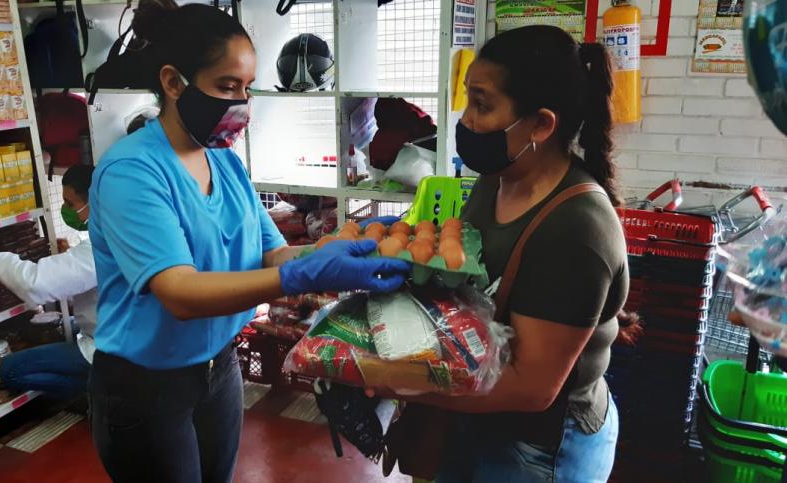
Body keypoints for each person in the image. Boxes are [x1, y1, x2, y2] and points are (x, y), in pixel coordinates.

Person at [85, 2, 410, 482]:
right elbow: (180, 292)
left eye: (247, 88)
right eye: (226, 86)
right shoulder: (132, 173)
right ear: (174, 83)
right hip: (146, 385)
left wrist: (333, 252)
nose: (242, 102)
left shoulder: (225, 162)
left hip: (219, 369)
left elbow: (274, 252)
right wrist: (296, 275)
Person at [408, 26, 635, 482]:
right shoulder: (499, 178)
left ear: (541, 124)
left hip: (539, 447)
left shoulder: (574, 231)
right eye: (468, 100)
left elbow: (531, 390)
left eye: (482, 104)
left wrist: (395, 381)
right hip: (479, 414)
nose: (466, 120)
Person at [0, 164, 97, 398]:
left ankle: (95, 388)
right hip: (114, 333)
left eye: (70, 204)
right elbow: (88, 283)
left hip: (109, 350)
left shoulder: (96, 248)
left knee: (11, 370)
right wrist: (67, 258)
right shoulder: (115, 235)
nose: (66, 210)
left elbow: (34, 284)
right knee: (66, 323)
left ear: (95, 200)